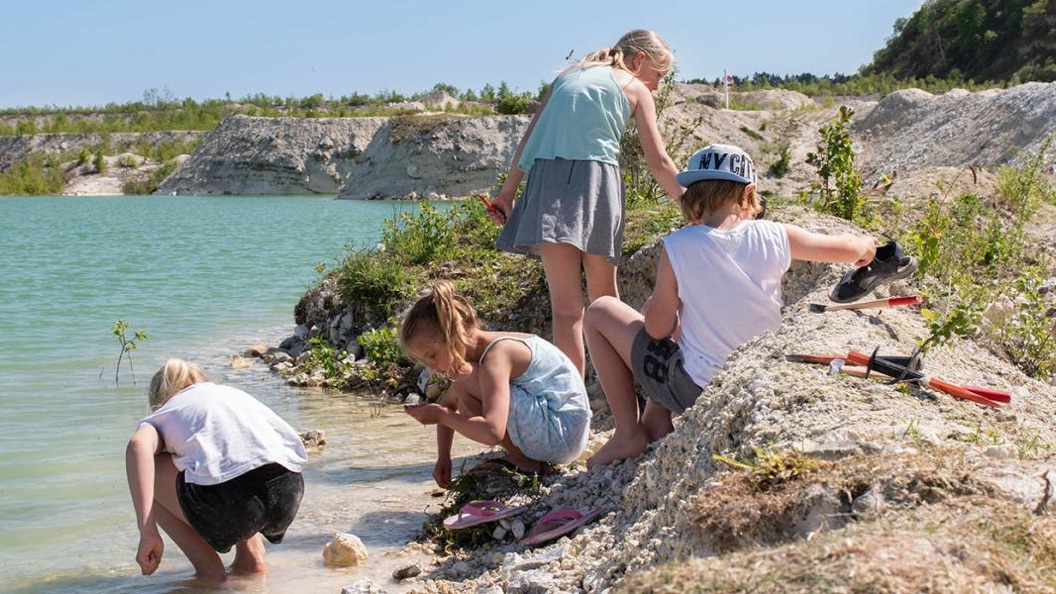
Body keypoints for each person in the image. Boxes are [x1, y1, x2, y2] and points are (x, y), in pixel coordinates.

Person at [584, 144, 878, 467]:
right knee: (689, 322)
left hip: (696, 390)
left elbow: (656, 329)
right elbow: (847, 249)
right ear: (749, 192)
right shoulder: (775, 235)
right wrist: (864, 246)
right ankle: (655, 420)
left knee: (599, 312)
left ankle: (628, 433)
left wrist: (655, 304)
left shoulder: (679, 245)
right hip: (753, 382)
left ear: (693, 194)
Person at [490, 29, 685, 376]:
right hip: (596, 183)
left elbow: (530, 142)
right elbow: (659, 163)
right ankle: (627, 396)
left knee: (565, 311)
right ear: (639, 60)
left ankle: (574, 406)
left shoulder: (566, 78)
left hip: (546, 183)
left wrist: (507, 194)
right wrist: (689, 203)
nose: (656, 85)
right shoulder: (634, 87)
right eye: (659, 76)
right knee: (606, 303)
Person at [125, 358, 307, 582]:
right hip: (287, 494)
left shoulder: (165, 413)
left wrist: (148, 533)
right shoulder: (230, 395)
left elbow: (138, 446)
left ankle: (210, 573)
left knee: (148, 470)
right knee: (226, 456)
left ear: (159, 397)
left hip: (233, 504)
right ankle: (252, 561)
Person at [401, 281, 591, 487]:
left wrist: (441, 416)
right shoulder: (487, 354)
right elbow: (449, 403)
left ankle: (523, 460)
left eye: (432, 355)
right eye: (424, 361)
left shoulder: (497, 356)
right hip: (567, 433)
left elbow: (492, 432)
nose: (431, 367)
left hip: (561, 433)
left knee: (462, 384)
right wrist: (443, 457)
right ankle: (523, 457)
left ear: (453, 335)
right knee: (460, 388)